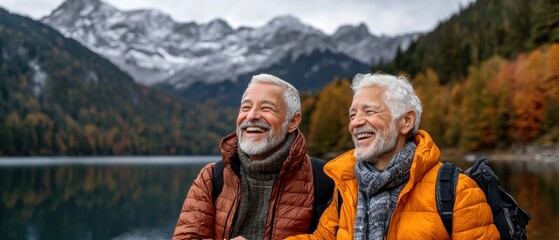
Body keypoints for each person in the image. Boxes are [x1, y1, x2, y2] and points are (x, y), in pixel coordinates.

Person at [286, 73, 499, 239]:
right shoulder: (347, 188)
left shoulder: (457, 191)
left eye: (369, 112)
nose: (355, 123)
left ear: (405, 121)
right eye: (353, 114)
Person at [172, 73, 333, 240]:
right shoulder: (212, 177)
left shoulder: (325, 179)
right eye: (246, 107)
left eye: (266, 108)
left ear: (292, 121)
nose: (251, 116)